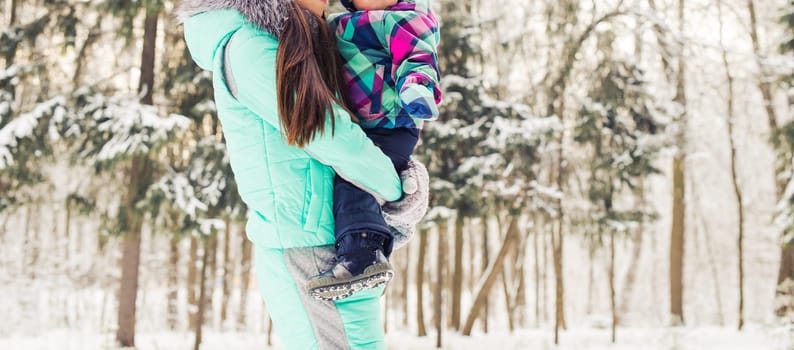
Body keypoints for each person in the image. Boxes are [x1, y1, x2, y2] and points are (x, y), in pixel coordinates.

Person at [179, 0, 421, 348]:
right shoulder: (250, 47)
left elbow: (364, 128)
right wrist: (398, 192)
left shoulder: (306, 37)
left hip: (336, 239)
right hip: (308, 246)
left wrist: (404, 174)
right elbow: (331, 135)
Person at [306, 0, 441, 300]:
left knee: (356, 182)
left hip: (392, 123)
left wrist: (417, 87)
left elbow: (418, 55)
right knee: (353, 181)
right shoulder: (343, 24)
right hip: (363, 122)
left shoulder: (404, 19)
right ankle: (370, 252)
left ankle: (364, 254)